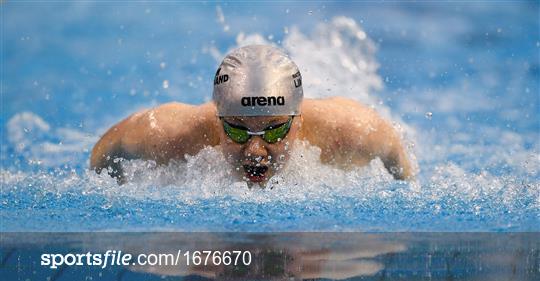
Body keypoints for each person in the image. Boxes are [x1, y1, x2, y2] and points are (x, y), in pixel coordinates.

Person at [90, 45, 414, 184]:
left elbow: (399, 164)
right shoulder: (168, 134)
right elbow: (104, 154)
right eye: (237, 131)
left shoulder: (353, 131)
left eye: (273, 131)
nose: (255, 152)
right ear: (217, 120)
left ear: (297, 120)